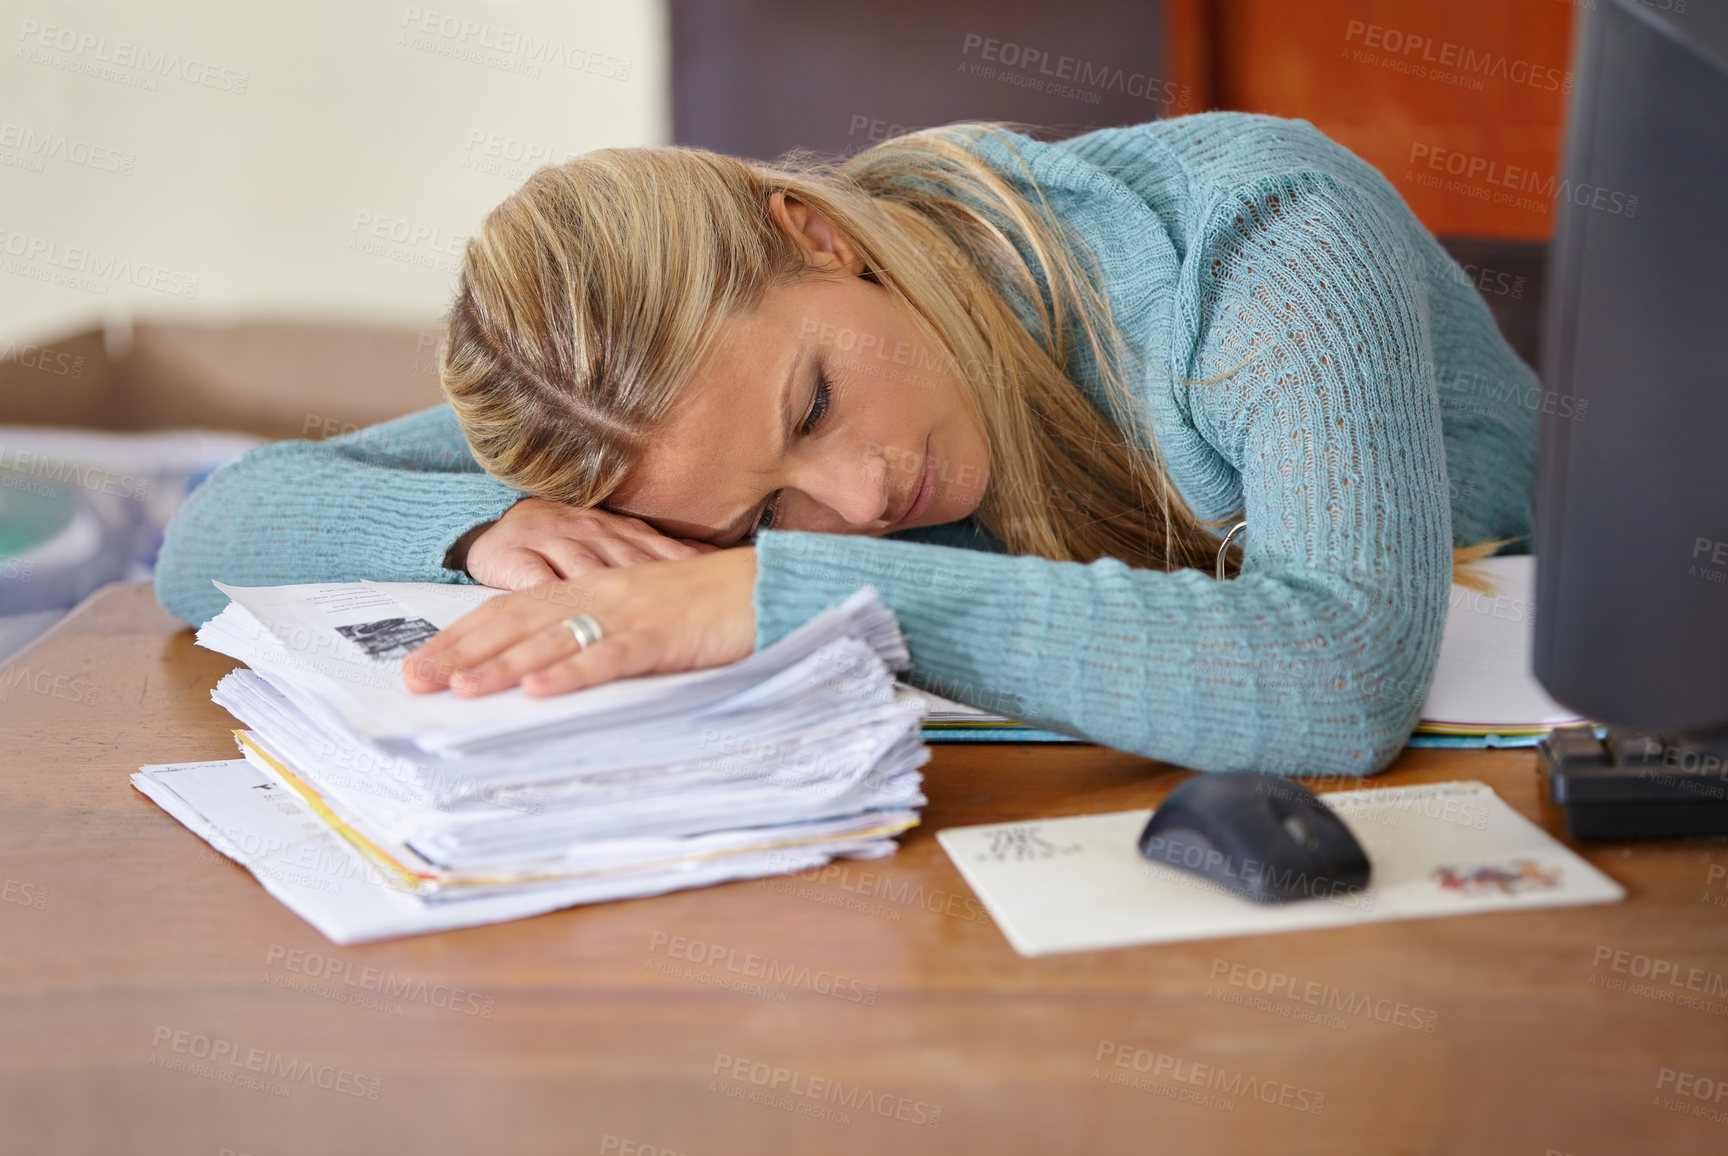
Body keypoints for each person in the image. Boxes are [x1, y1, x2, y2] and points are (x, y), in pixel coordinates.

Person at [153, 111, 1536, 777]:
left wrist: (773, 590)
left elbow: (1337, 679)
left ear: (815, 236)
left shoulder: (1260, 236)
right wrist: (475, 533)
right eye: (761, 517)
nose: (860, 500)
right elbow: (208, 534)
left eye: (810, 406)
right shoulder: (667, 427)